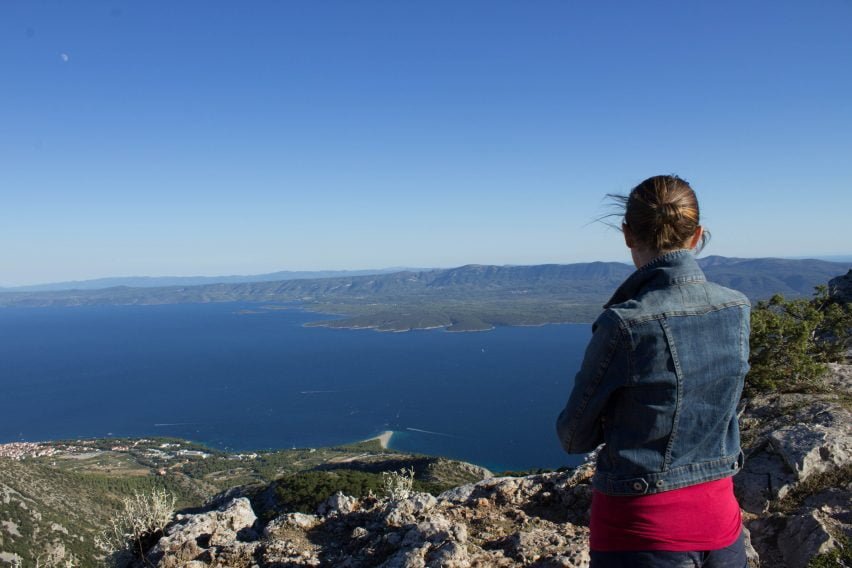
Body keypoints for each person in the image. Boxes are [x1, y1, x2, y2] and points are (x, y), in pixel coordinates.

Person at [556, 175, 751, 568]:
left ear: (628, 234)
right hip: (723, 524)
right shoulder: (737, 307)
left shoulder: (625, 323)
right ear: (696, 235)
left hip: (639, 531)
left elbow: (574, 436)